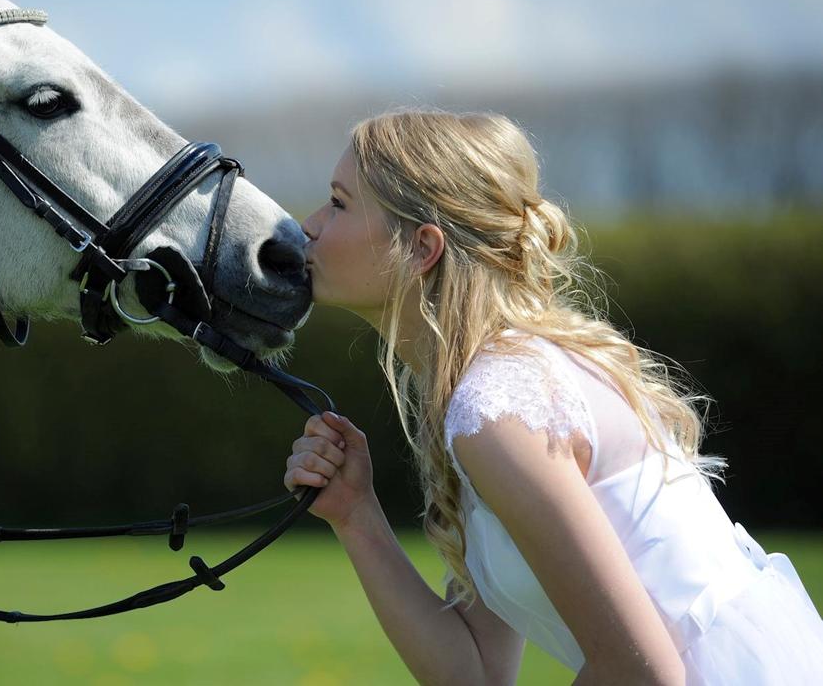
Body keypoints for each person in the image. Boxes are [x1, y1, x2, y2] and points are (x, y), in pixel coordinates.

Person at [284, 110, 823, 684]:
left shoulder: (497, 407)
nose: (309, 226)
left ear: (422, 248)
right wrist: (356, 516)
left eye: (339, 203)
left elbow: (643, 673)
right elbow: (479, 671)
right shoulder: (489, 391)